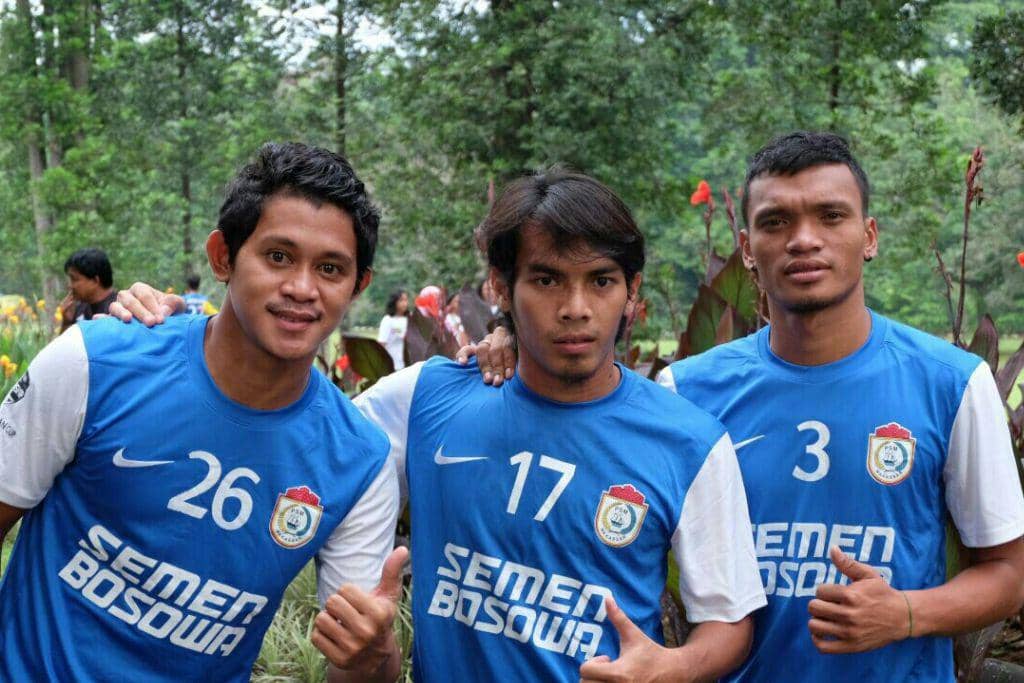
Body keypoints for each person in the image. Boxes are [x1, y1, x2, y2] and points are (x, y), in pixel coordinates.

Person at [112, 168, 767, 682]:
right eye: (545, 279)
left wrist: (670, 668)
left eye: (601, 281)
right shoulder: (424, 399)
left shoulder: (689, 440)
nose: (576, 309)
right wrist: (179, 328)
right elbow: (290, 418)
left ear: (633, 293)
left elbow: (729, 620)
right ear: (500, 289)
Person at [468, 133, 1024, 681]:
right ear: (746, 247)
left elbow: (1010, 573)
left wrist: (905, 614)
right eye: (776, 222)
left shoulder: (951, 383)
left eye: (831, 216)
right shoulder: (685, 391)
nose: (804, 240)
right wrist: (513, 336)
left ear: (869, 235)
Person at [0, 142, 403, 682]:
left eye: (330, 268)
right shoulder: (96, 363)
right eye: (278, 256)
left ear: (358, 286)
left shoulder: (360, 462)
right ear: (223, 257)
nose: (302, 288)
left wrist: (374, 651)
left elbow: (355, 667)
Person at [60, 247, 118, 332]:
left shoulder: (117, 308)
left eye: (74, 279)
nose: (70, 285)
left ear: (95, 280)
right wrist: (66, 322)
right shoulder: (79, 308)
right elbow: (66, 344)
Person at [377, 290, 409, 370]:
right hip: (393, 366)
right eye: (401, 300)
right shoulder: (388, 320)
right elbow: (382, 343)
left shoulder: (409, 319)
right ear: (394, 302)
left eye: (406, 300)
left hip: (408, 365)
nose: (404, 303)